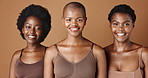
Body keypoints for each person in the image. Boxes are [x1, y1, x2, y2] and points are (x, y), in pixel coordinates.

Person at [44, 2, 106, 78]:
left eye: (79, 20)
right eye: (69, 20)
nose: (74, 24)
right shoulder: (51, 52)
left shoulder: (97, 52)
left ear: (85, 21)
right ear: (63, 20)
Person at [104, 4, 148, 78]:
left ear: (133, 25)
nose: (120, 28)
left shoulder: (144, 54)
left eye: (126, 24)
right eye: (115, 24)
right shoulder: (102, 53)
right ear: (110, 25)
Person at [9, 4, 51, 78]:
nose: (32, 31)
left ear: (43, 31)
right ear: (22, 29)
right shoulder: (17, 56)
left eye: (38, 28)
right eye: (28, 27)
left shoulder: (49, 53)